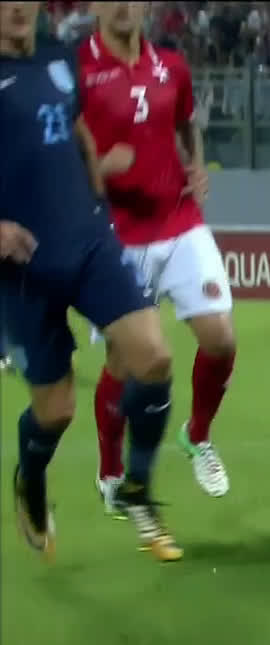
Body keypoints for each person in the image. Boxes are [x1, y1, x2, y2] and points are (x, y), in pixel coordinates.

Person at [0, 0, 182, 562]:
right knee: (55, 410)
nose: (16, 8)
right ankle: (30, 478)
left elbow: (77, 130)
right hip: (20, 269)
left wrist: (97, 190)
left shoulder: (60, 60)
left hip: (88, 243)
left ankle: (138, 487)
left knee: (154, 357)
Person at [78, 2, 236, 514]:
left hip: (179, 220)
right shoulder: (76, 70)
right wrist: (102, 168)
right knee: (126, 363)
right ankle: (110, 468)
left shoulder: (173, 66)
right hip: (116, 234)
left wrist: (196, 165)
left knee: (221, 339)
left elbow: (186, 123)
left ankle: (198, 434)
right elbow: (59, 152)